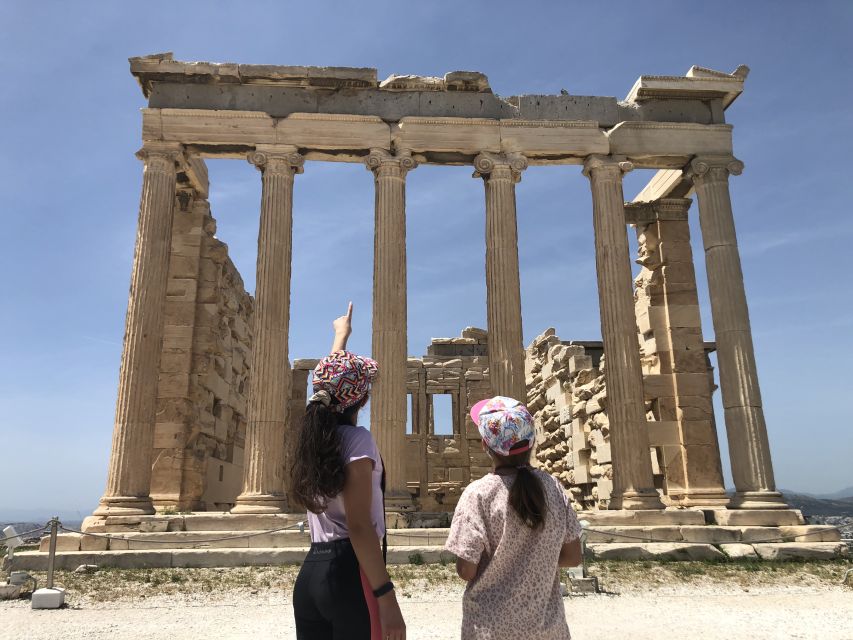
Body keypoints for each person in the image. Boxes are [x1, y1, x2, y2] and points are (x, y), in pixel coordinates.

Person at [290, 302, 406, 640]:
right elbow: (358, 526)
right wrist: (386, 597)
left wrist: (340, 337)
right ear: (364, 400)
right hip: (349, 575)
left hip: (311, 576)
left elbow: (329, 386)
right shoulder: (357, 441)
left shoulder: (311, 438)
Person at [444, 396, 583, 640]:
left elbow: (466, 570)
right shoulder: (553, 488)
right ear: (531, 442)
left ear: (484, 446)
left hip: (490, 629)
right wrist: (535, 561)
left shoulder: (477, 494)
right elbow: (573, 557)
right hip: (547, 629)